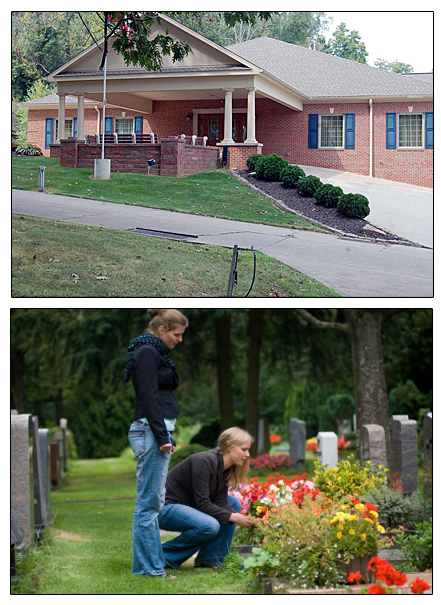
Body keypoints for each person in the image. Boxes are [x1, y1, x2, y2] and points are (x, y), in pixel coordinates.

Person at [125, 308, 189, 578]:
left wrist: (165, 435)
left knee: (151, 502)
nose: (180, 339)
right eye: (177, 334)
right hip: (152, 431)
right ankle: (150, 569)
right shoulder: (148, 352)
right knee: (149, 505)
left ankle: (146, 567)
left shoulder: (153, 351)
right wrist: (163, 437)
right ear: (162, 330)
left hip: (156, 431)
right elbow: (149, 397)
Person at [158, 427, 255, 570]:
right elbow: (203, 503)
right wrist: (235, 518)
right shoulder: (204, 461)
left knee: (233, 503)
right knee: (209, 526)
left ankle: (211, 559)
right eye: (244, 449)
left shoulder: (225, 468)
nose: (248, 454)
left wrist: (242, 518)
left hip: (187, 506)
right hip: (165, 508)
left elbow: (220, 502)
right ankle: (161, 555)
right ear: (228, 446)